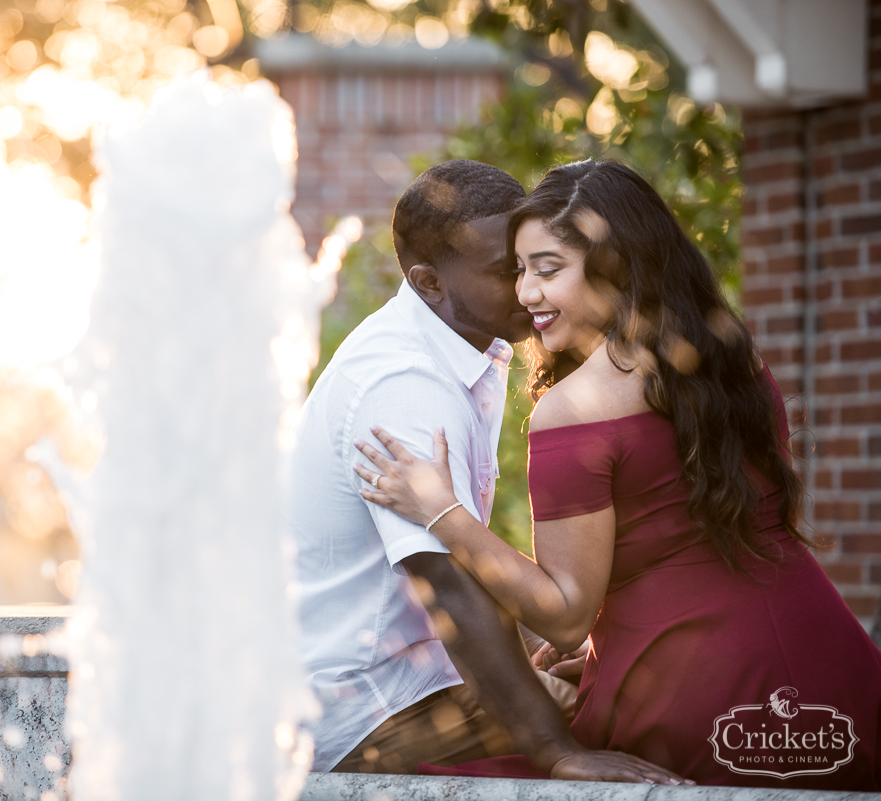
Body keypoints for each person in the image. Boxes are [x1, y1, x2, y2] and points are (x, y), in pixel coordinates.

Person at [353, 159, 881, 789]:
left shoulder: (576, 411)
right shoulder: (733, 361)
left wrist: (443, 512)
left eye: (549, 270)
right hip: (832, 664)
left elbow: (564, 612)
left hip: (693, 694)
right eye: (519, 270)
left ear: (616, 266)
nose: (526, 294)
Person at [289, 159, 689, 784]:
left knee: (632, 687)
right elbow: (449, 582)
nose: (529, 289)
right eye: (508, 272)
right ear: (429, 281)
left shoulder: (467, 344)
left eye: (535, 265)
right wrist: (559, 751)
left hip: (414, 678)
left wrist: (538, 648)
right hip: (362, 713)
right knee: (643, 727)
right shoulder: (406, 386)